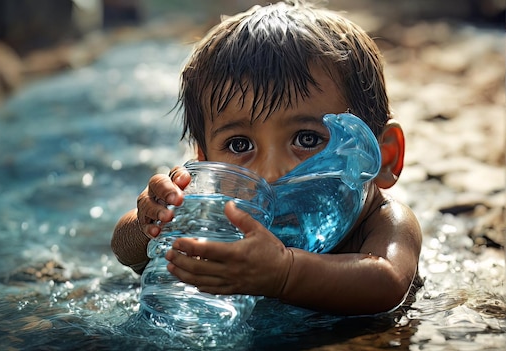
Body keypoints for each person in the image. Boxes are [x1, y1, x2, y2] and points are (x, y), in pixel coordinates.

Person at [111, 0, 422, 316]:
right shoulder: (227, 213)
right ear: (207, 165)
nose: (270, 173)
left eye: (307, 139)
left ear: (384, 157)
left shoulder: (384, 221)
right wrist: (150, 223)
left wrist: (284, 274)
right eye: (240, 145)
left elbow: (388, 283)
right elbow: (127, 255)